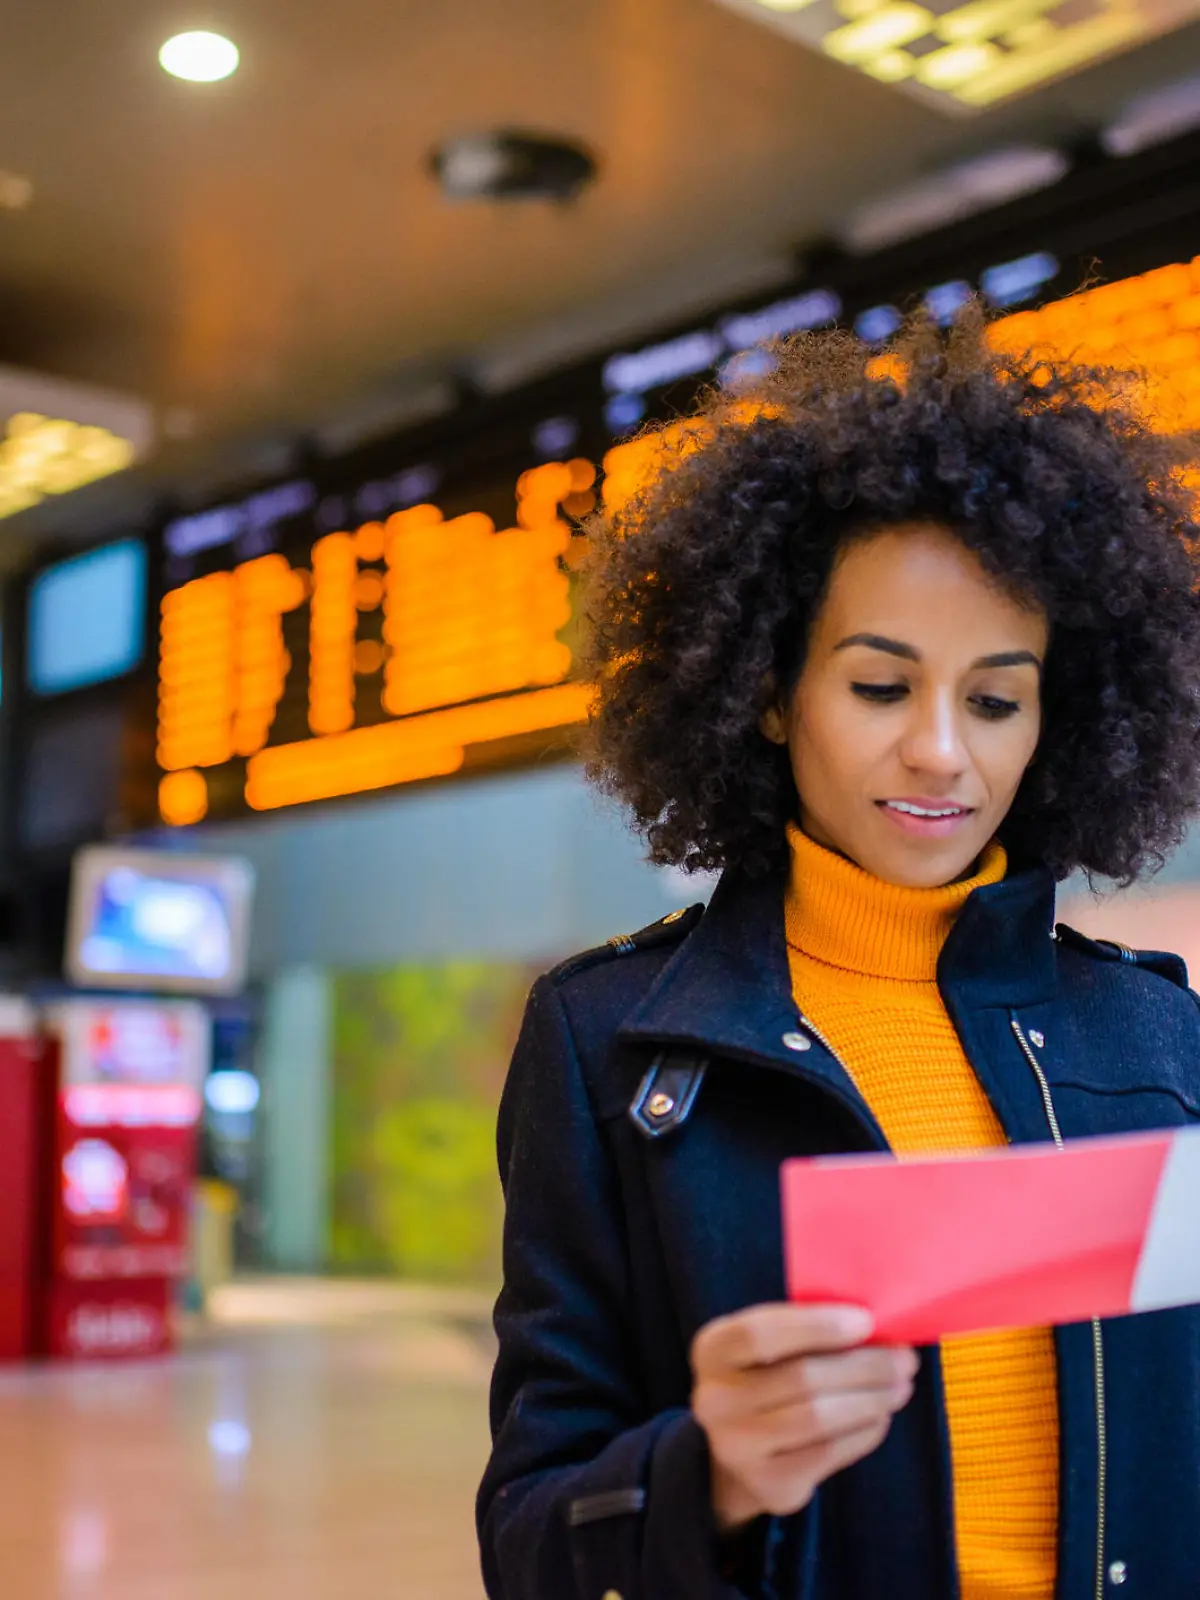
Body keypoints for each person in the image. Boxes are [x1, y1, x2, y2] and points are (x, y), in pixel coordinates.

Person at [476, 313, 1200, 1600]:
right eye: (879, 686)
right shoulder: (613, 1044)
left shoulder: (1160, 1041)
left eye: (994, 698)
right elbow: (534, 1541)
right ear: (767, 690)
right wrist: (715, 1473)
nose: (941, 752)